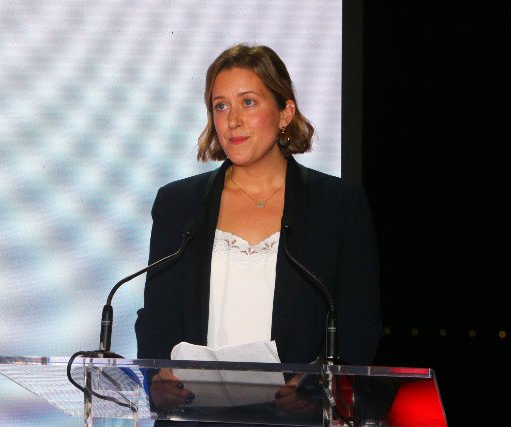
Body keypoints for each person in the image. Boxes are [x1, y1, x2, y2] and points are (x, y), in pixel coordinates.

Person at [134, 43, 382, 414]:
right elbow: (157, 318)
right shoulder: (179, 204)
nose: (232, 120)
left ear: (285, 113)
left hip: (297, 418)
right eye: (220, 106)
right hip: (198, 415)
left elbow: (359, 324)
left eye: (248, 102)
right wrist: (158, 379)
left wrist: (316, 388)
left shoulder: (338, 205)